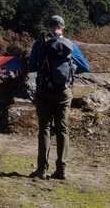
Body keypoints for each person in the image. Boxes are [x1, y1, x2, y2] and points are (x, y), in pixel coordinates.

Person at [27, 15, 89, 180]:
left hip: (43, 92)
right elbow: (84, 67)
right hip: (63, 92)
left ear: (48, 27)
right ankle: (61, 170)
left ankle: (41, 170)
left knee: (44, 129)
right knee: (62, 129)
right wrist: (69, 71)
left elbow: (31, 67)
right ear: (63, 28)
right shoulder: (70, 45)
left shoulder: (39, 44)